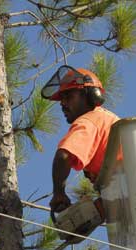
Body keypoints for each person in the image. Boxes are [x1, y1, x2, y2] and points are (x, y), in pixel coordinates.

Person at [41, 65, 119, 214]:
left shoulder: (89, 121)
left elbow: (63, 156)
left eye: (68, 97)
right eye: (61, 100)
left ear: (91, 96)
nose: (63, 104)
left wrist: (58, 194)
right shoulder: (105, 119)